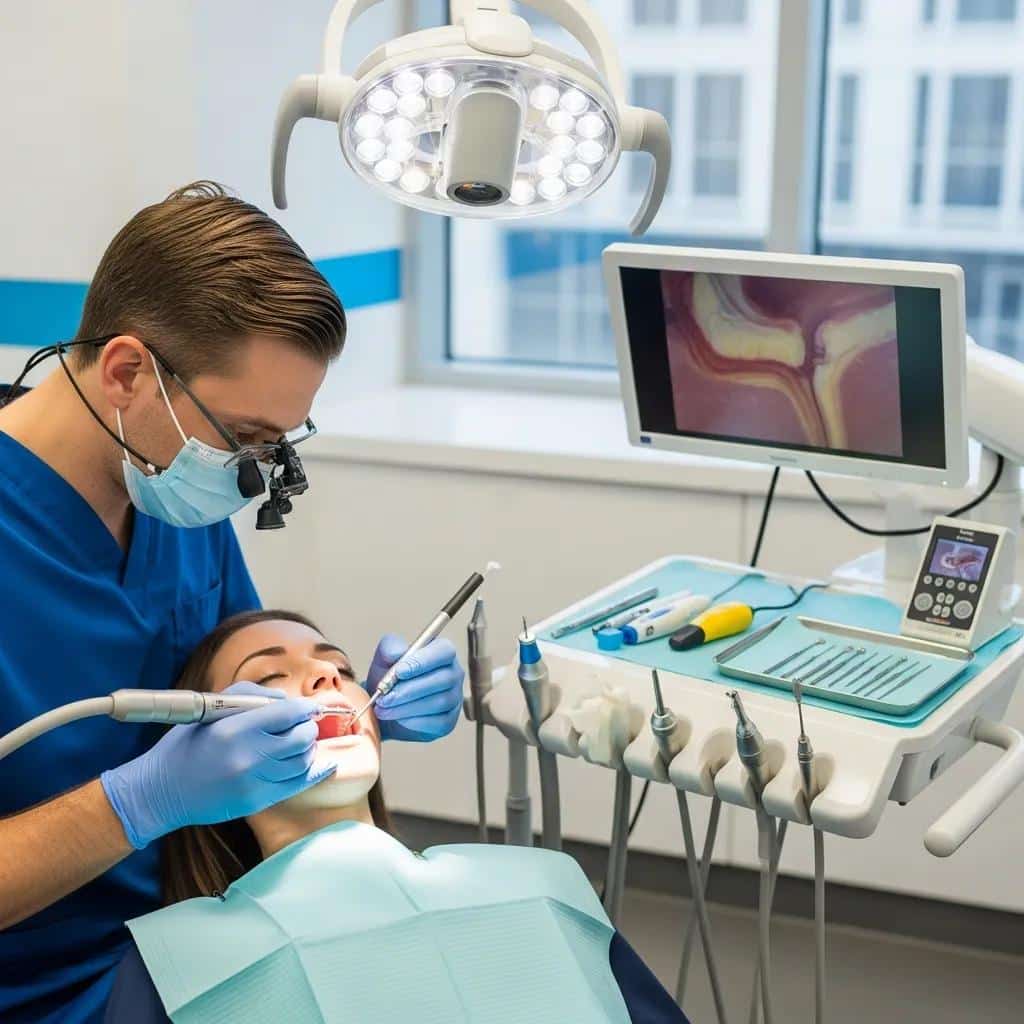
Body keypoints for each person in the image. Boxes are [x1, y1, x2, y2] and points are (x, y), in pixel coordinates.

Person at [0, 182, 465, 1023]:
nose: (257, 475)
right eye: (248, 439)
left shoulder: (164, 486)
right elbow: (172, 777)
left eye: (280, 443)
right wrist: (136, 802)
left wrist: (347, 714)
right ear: (128, 372)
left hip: (199, 938)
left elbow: (232, 689)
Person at [103, 610, 688, 1024]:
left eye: (339, 667)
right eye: (270, 678)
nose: (328, 677)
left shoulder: (541, 884)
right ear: (202, 755)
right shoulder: (181, 963)